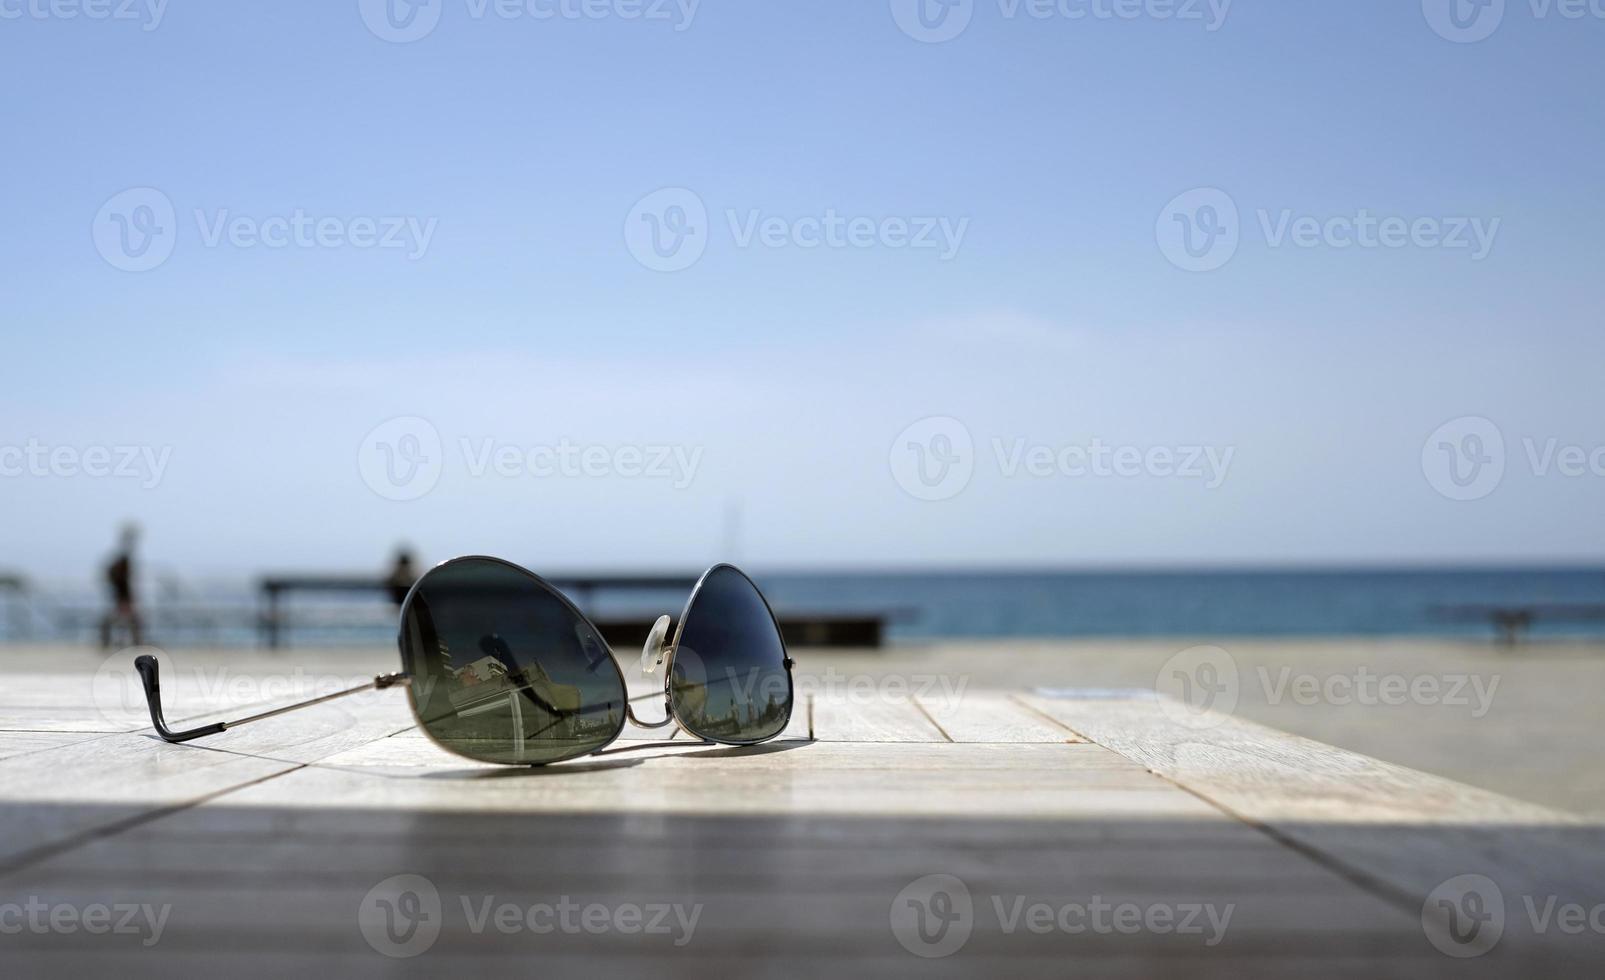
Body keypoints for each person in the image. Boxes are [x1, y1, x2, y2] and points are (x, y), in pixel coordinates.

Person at [99, 524, 144, 649]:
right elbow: (119, 580)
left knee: (127, 621)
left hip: (122, 596)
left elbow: (113, 577)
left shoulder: (121, 564)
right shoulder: (122, 565)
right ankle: (129, 643)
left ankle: (120, 643)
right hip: (122, 596)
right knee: (128, 621)